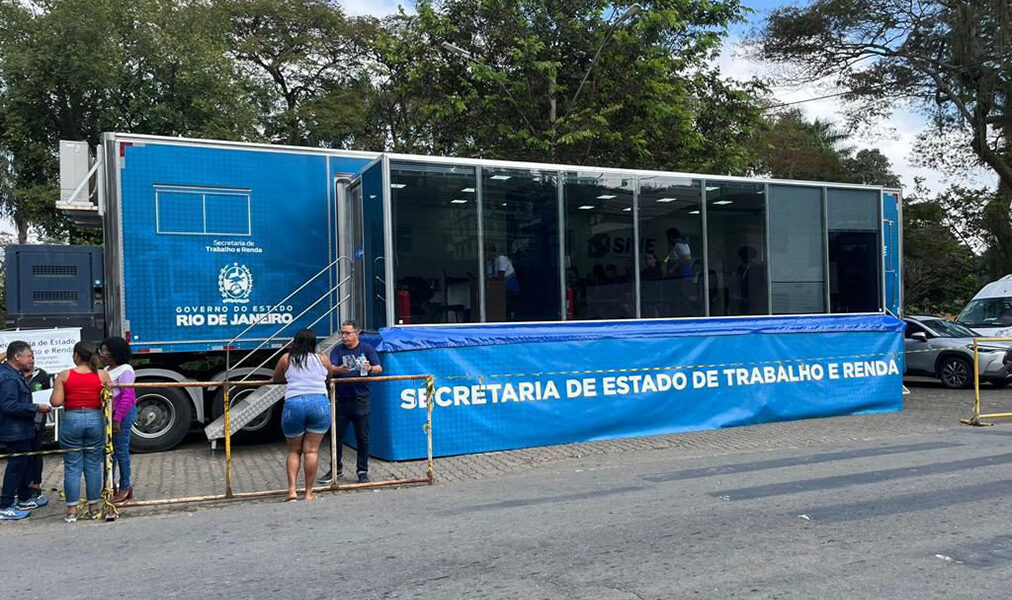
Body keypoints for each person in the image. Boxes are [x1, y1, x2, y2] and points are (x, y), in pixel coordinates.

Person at [50, 341, 111, 522]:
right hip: (94, 418)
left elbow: (56, 402)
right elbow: (109, 399)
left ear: (76, 356)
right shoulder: (103, 375)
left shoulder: (64, 375)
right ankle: (94, 508)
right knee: (93, 465)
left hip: (72, 419)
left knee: (72, 467)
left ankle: (72, 511)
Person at [319, 320, 382, 484]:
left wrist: (370, 369)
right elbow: (330, 370)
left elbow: (379, 368)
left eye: (347, 333)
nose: (344, 337)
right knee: (336, 437)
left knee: (363, 437)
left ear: (357, 334)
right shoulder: (337, 350)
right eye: (342, 333)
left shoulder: (367, 349)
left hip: (361, 399)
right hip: (341, 400)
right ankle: (335, 470)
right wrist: (339, 369)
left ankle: (362, 471)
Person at [273, 329, 333, 501]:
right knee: (311, 451)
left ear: (295, 342)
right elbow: (330, 376)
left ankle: (292, 491)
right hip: (318, 403)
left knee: (293, 451)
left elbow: (276, 378)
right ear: (313, 343)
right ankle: (308, 493)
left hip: (294, 404)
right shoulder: (322, 358)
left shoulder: (287, 358)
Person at [0, 341, 52, 520]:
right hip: (14, 429)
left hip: (22, 428)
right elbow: (9, 405)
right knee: (15, 466)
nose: (32, 360)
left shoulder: (15, 374)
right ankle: (5, 505)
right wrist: (35, 407)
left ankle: (23, 497)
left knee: (23, 464)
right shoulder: (8, 377)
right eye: (29, 356)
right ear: (17, 357)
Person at [101, 336, 137, 504]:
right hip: (109, 413)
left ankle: (125, 487)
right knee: (110, 451)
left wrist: (117, 419)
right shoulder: (107, 369)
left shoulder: (126, 370)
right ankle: (110, 485)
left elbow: (127, 397)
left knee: (121, 450)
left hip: (121, 414)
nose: (102, 353)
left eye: (105, 350)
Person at [22, 353, 51, 504]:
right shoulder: (14, 375)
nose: (32, 360)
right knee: (22, 455)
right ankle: (22, 487)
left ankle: (36, 485)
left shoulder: (42, 375)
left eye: (33, 357)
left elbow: (47, 394)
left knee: (36, 452)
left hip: (38, 421)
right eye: (28, 357)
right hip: (20, 421)